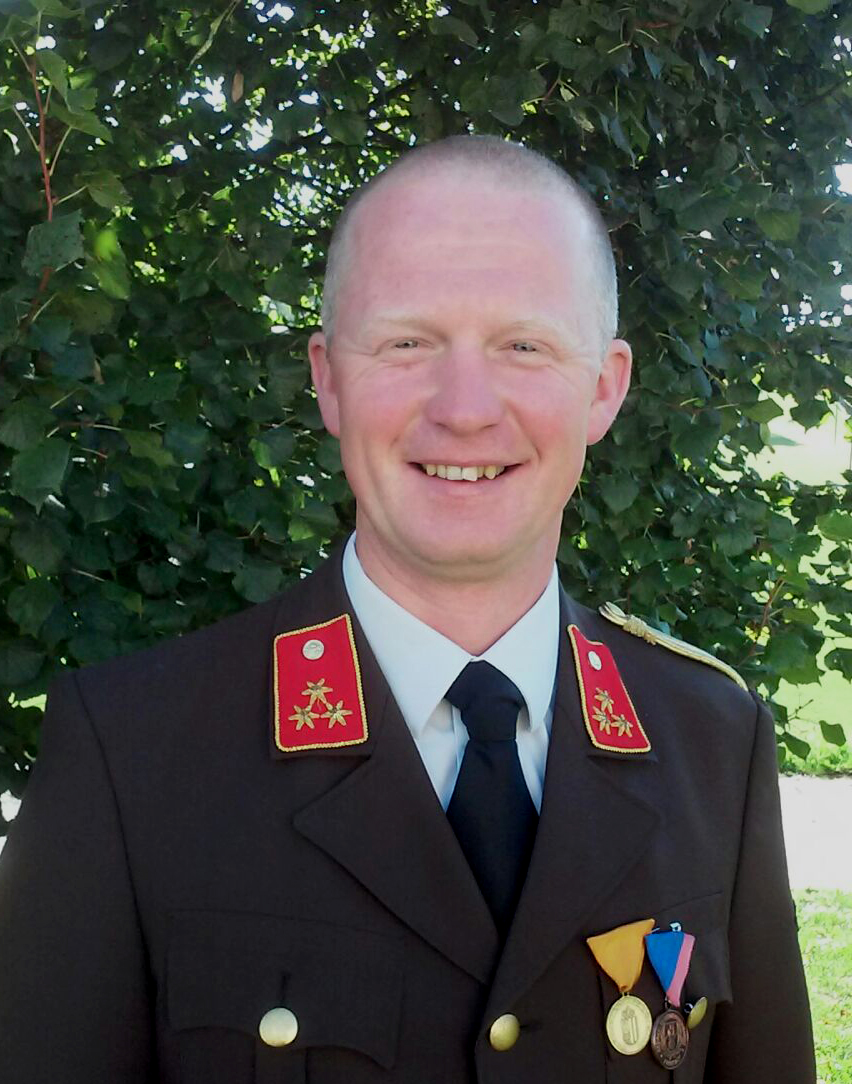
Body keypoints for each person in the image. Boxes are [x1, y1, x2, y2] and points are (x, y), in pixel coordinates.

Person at [0, 135, 814, 1083]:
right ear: (328, 379)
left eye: (524, 345)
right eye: (407, 343)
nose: (464, 409)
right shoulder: (131, 751)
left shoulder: (714, 743)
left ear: (605, 388)